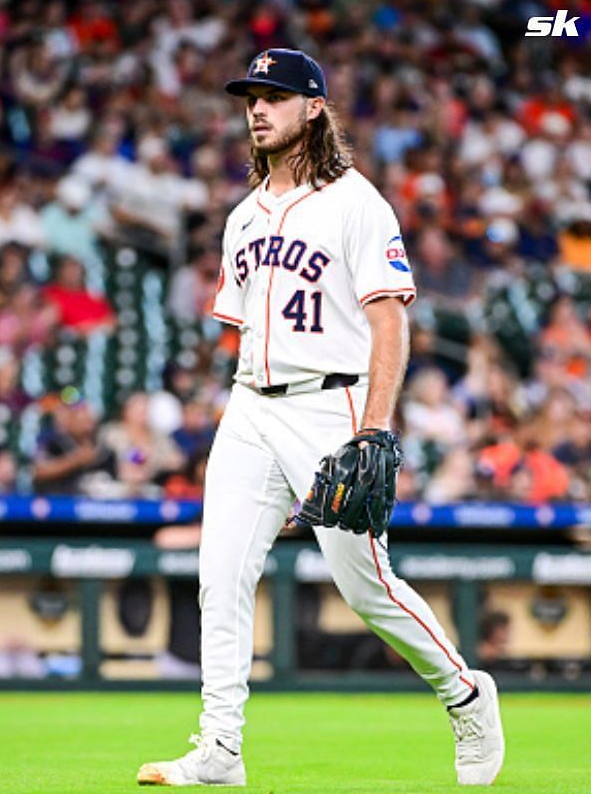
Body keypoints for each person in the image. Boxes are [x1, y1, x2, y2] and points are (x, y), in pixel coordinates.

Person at [136, 49, 504, 788]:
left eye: (275, 95)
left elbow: (390, 322)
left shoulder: (356, 202)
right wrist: (236, 410)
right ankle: (220, 747)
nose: (258, 108)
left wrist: (373, 425)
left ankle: (465, 692)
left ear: (313, 109)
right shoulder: (242, 216)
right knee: (220, 575)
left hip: (331, 405)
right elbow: (244, 330)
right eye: (251, 97)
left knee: (365, 587)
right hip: (250, 407)